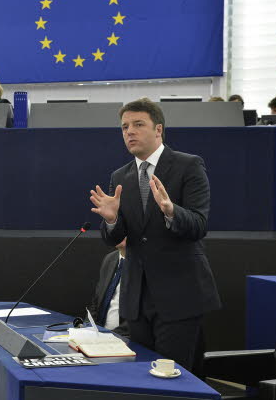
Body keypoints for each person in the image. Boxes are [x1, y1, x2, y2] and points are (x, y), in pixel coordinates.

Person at [89, 98, 220, 373]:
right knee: (143, 379)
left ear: (158, 129)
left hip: (179, 296)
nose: (130, 132)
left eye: (138, 125)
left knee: (173, 379)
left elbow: (199, 225)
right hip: (136, 299)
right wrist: (112, 220)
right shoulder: (120, 176)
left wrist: (172, 211)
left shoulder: (188, 165)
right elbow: (115, 238)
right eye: (124, 127)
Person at [89, 237, 129, 337]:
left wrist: (110, 336)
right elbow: (96, 302)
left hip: (126, 338)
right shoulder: (109, 259)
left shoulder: (145, 264)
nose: (121, 233)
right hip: (99, 335)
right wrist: (87, 328)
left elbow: (142, 315)